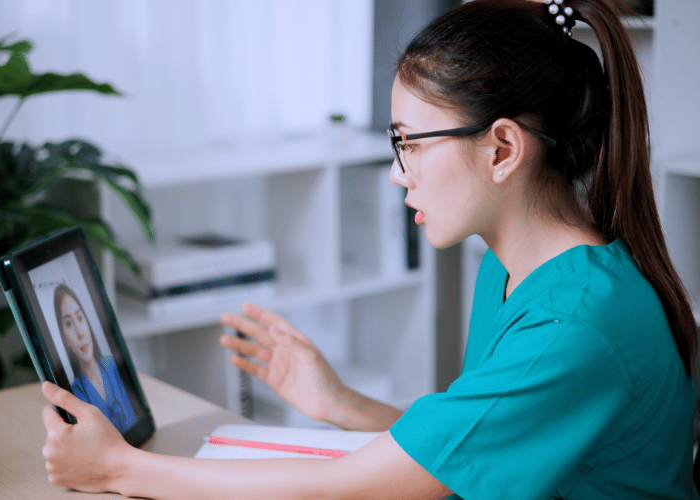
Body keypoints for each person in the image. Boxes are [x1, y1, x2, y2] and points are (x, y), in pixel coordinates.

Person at [39, 0, 699, 497]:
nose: (396, 173)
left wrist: (119, 468)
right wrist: (338, 403)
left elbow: (342, 489)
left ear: (502, 149)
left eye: (410, 143)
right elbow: (470, 447)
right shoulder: (513, 268)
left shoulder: (572, 327)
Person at [53, 283, 137, 434]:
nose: (79, 333)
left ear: (88, 323)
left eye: (80, 318)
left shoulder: (114, 365)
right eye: (69, 323)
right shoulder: (74, 395)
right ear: (65, 339)